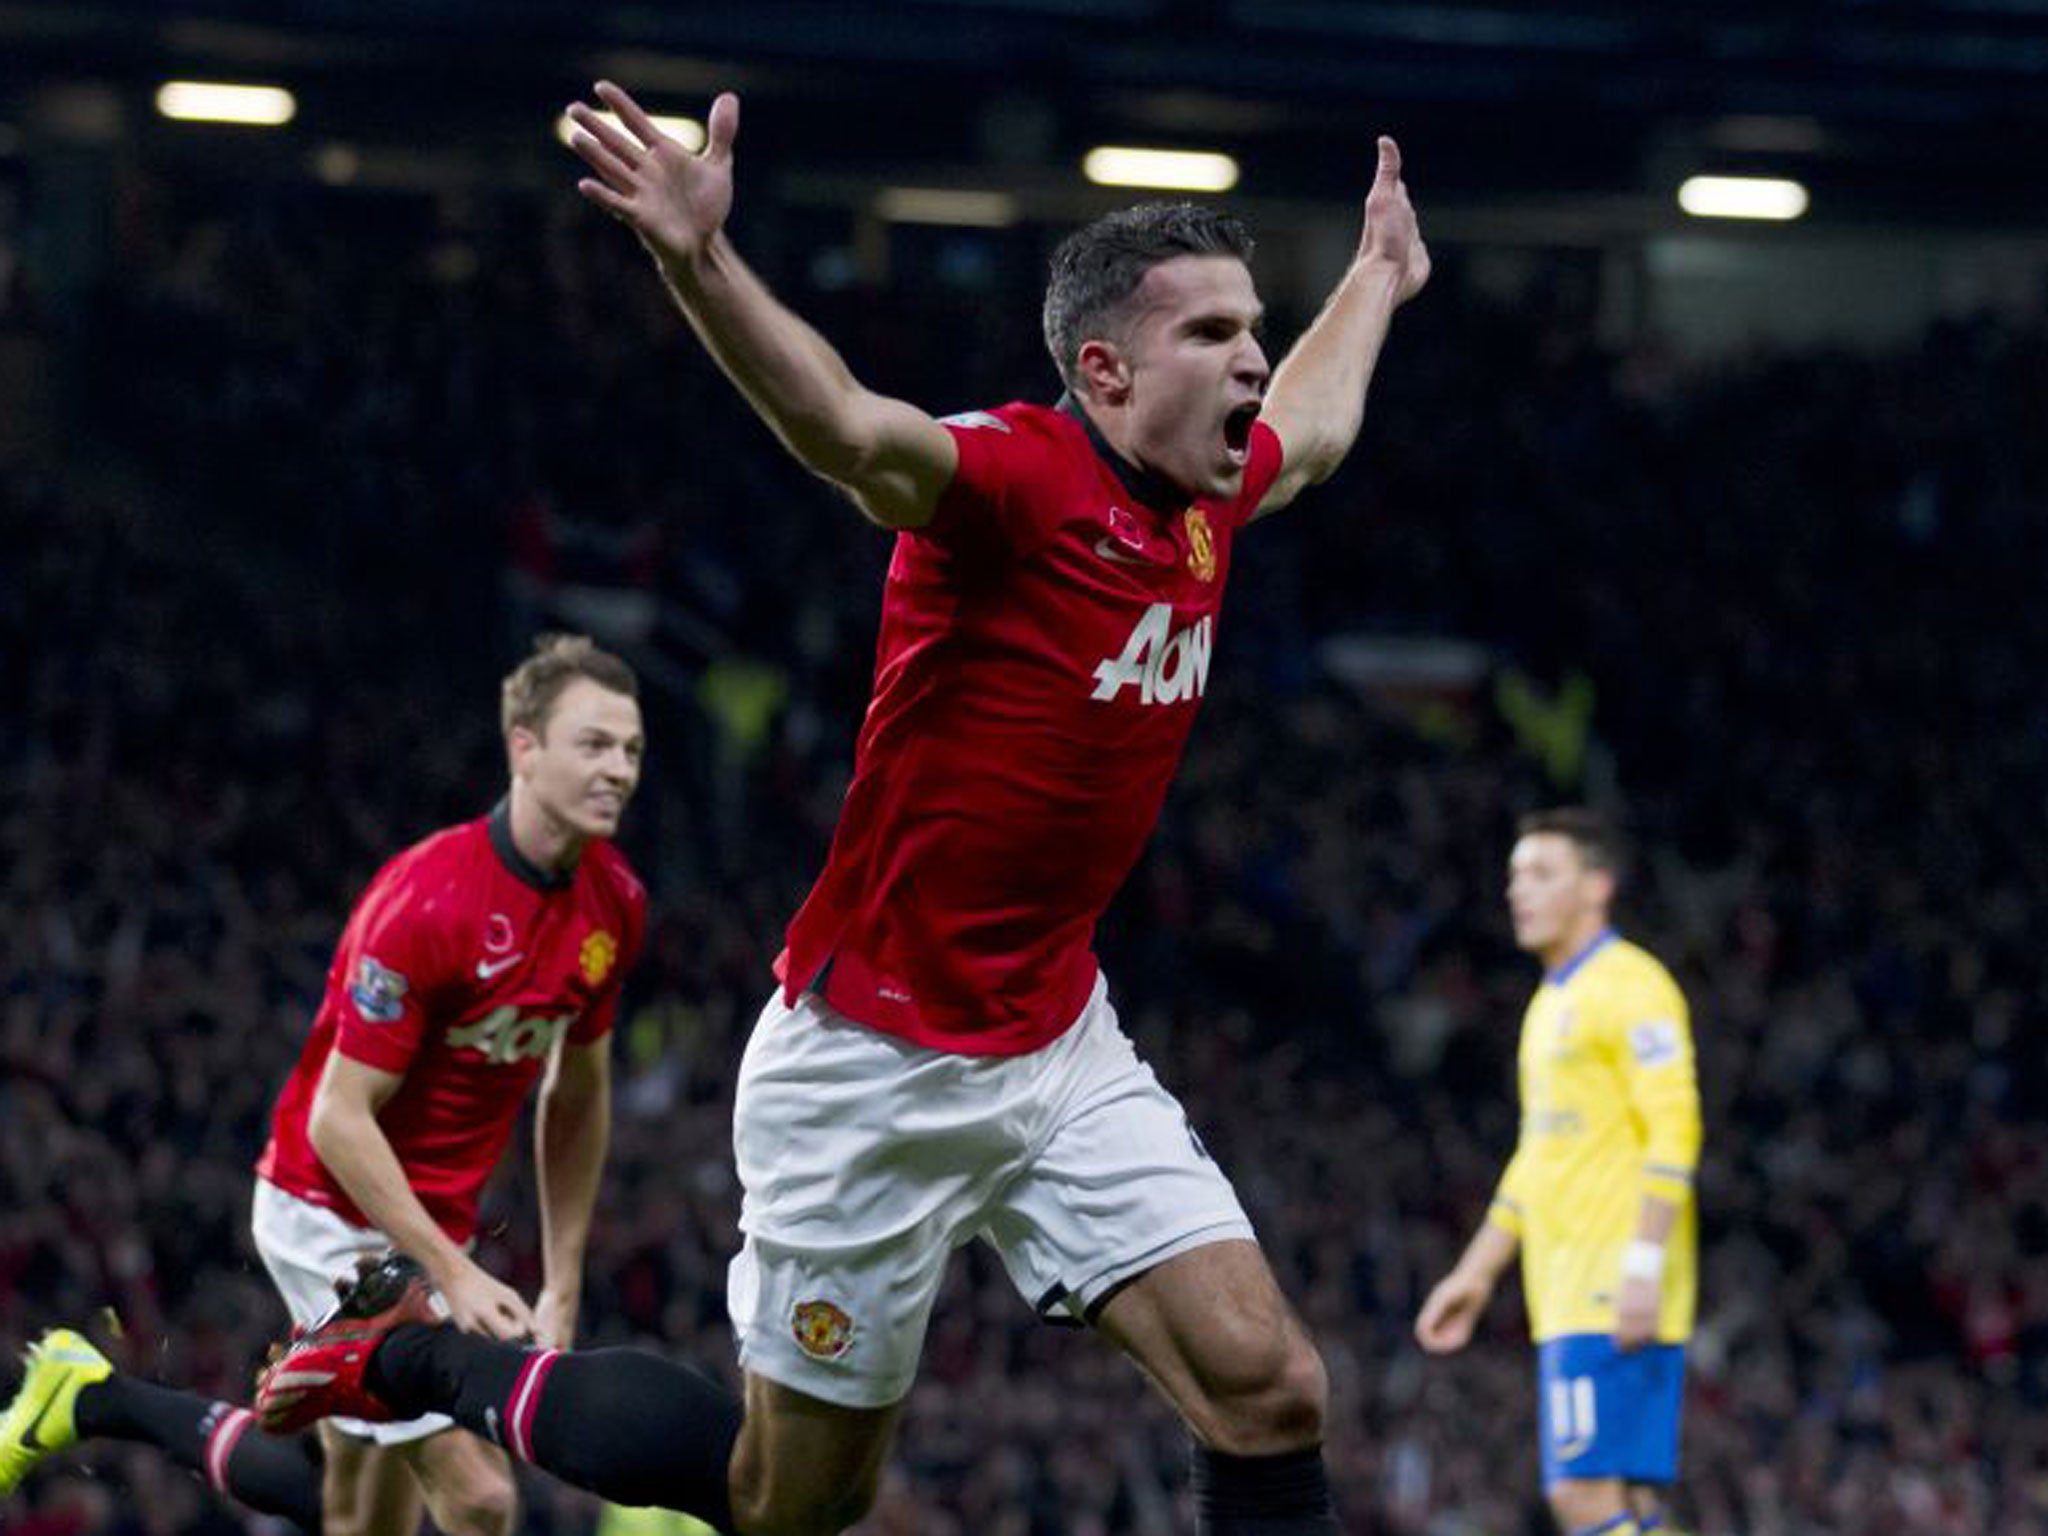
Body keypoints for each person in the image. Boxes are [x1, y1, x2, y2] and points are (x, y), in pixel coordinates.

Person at [257, 79, 1430, 1536]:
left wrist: (1376, 277)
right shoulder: (1012, 477)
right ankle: (413, 1354)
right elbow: (842, 426)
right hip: (868, 1065)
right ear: (1105, 370)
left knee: (1272, 1391)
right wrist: (698, 256)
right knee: (786, 1501)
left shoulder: (1206, 494)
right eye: (1213, 333)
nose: (1254, 360)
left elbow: (1312, 430)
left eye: (1256, 327)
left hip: (1056, 1039)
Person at [2, 633, 647, 1536]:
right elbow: (341, 1118)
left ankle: (94, 1399)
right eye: (594, 744)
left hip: (431, 1224)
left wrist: (565, 1276)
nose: (618, 769)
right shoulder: (427, 901)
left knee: (357, 1512)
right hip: (329, 1207)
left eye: (631, 750)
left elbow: (577, 1094)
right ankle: (98, 1399)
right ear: (524, 748)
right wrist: (450, 1272)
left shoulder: (614, 904)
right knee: (481, 1498)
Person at [1415, 809, 1702, 1536]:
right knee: (1628, 1503)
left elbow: (1677, 1125)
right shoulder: (1550, 1005)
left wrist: (1642, 1264)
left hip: (1612, 1283)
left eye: (1542, 873)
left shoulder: (1631, 985)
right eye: (1514, 877)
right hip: (1568, 1284)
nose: (1519, 892)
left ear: (1597, 886)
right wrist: (1478, 1272)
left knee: (1581, 1496)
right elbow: (1539, 1155)